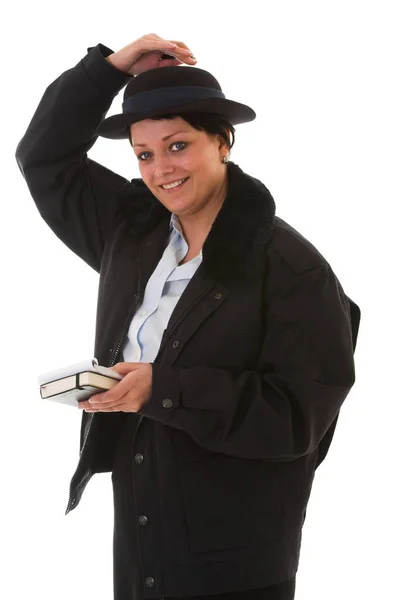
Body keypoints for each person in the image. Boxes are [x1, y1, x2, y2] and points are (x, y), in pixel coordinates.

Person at [15, 33, 361, 600]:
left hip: (237, 559)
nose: (160, 170)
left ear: (223, 141)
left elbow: (298, 418)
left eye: (177, 146)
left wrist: (163, 390)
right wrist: (107, 69)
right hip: (141, 536)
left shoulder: (291, 268)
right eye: (144, 154)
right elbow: (44, 159)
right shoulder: (131, 232)